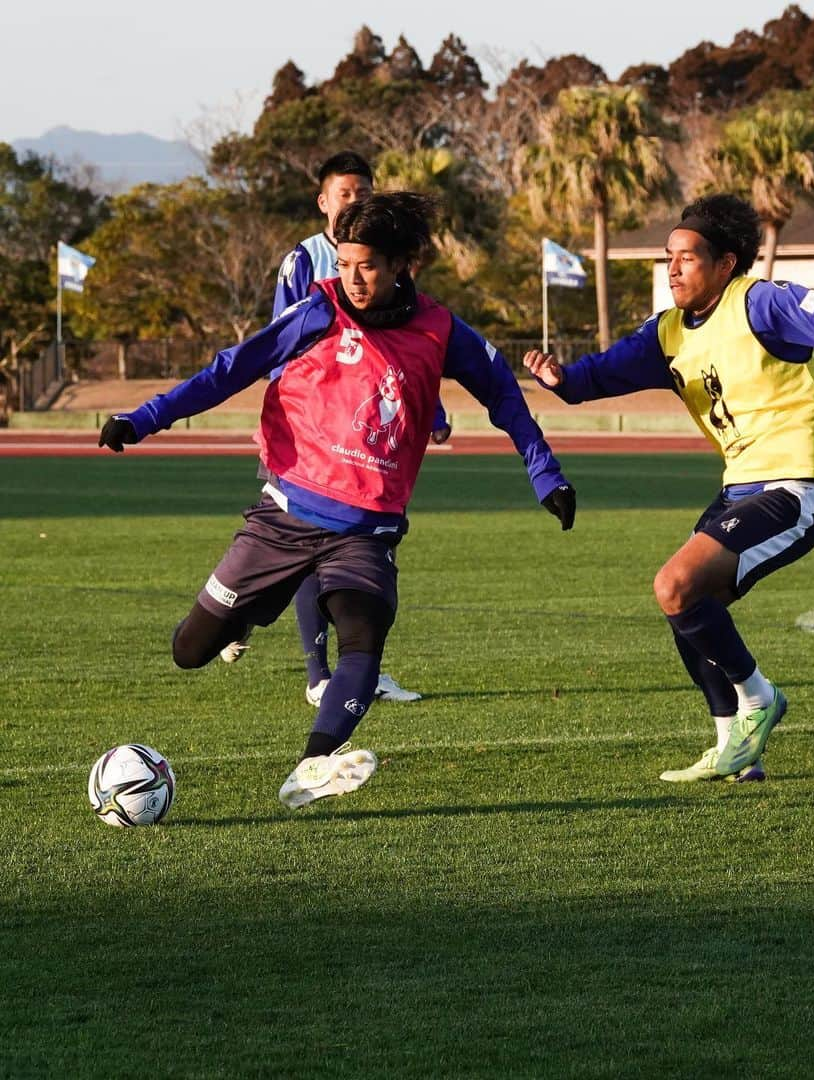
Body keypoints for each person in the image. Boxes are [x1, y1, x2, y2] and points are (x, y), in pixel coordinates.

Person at [100, 192, 576, 809]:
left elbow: (504, 398)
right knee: (189, 651)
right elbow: (229, 369)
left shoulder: (439, 328)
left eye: (368, 266)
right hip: (283, 518)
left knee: (363, 637)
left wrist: (546, 475)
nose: (352, 277)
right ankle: (252, 612)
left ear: (404, 263)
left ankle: (312, 765)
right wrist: (144, 418)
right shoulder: (316, 311)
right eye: (344, 263)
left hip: (366, 529)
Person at [523, 194, 814, 784]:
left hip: (795, 484)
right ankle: (733, 748)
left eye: (687, 258)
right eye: (669, 257)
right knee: (686, 606)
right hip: (738, 488)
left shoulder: (762, 302)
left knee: (675, 584)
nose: (673, 269)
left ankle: (761, 701)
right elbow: (602, 373)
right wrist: (563, 379)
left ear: (725, 263)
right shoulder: (667, 333)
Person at [220, 150, 450, 708]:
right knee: (305, 536)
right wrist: (302, 413)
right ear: (322, 201)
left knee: (357, 554)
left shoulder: (384, 256)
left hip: (368, 432)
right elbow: (283, 342)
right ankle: (318, 673)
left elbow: (406, 352)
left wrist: (432, 412)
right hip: (307, 429)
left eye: (363, 191)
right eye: (345, 192)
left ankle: (347, 665)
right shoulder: (304, 259)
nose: (355, 200)